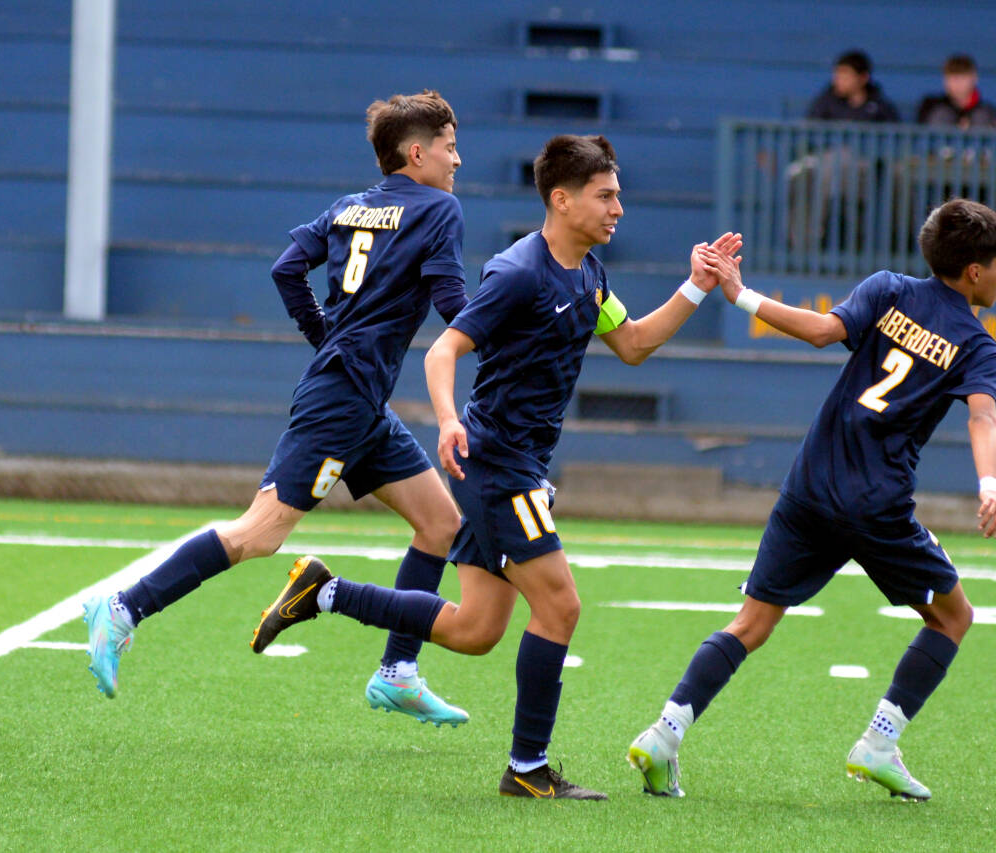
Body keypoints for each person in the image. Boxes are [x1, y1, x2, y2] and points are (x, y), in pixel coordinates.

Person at [249, 134, 742, 800]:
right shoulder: (518, 273)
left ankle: (326, 591)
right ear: (562, 200)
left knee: (476, 629)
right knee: (561, 605)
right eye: (606, 195)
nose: (618, 208)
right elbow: (442, 352)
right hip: (497, 464)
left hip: (515, 463)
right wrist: (450, 420)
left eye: (618, 194)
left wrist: (696, 285)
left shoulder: (590, 274)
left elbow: (633, 344)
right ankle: (528, 768)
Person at [83, 91, 472, 727]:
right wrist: (514, 331)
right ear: (418, 152)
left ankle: (398, 673)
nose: (459, 160)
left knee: (439, 525)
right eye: (451, 147)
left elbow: (287, 267)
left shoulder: (350, 207)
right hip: (342, 399)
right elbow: (455, 303)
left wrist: (327, 336)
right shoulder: (440, 209)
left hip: (356, 394)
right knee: (259, 534)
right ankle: (123, 608)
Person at [627, 198, 996, 802]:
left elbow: (820, 331)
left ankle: (663, 735)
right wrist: (990, 486)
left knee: (751, 624)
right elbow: (983, 419)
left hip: (810, 486)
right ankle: (879, 745)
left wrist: (740, 294)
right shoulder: (980, 345)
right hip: (878, 506)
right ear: (973, 272)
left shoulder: (888, 288)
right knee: (954, 617)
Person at [807, 50, 900, 123]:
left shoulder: (880, 107)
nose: (838, 81)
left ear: (863, 78)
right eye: (837, 76)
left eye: (845, 77)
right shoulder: (825, 104)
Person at [917, 54, 996, 129]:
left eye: (962, 78)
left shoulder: (988, 111)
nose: (958, 84)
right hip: (940, 147)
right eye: (953, 78)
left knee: (981, 116)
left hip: (976, 147)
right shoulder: (931, 106)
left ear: (975, 78)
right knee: (942, 115)